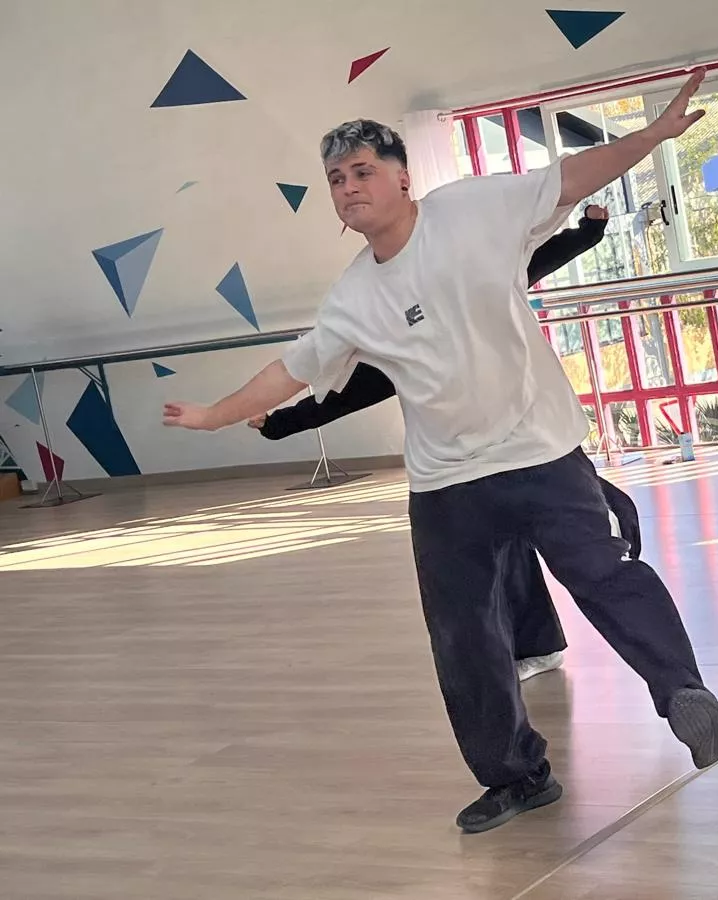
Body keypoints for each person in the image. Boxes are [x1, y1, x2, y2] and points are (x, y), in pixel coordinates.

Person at [163, 69, 718, 833]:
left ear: (403, 178)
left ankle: (683, 694)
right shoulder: (353, 296)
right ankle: (515, 776)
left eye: (362, 170)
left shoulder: (472, 209)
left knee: (604, 574)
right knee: (463, 635)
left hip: (538, 447)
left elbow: (567, 177)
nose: (347, 187)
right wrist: (211, 415)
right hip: (447, 482)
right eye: (335, 179)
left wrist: (652, 137)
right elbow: (291, 371)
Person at [245, 205, 637, 683]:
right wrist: (278, 423)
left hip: (531, 441)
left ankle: (610, 519)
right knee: (505, 548)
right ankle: (540, 643)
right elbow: (354, 391)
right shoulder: (394, 332)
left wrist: (589, 231)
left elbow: (531, 261)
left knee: (571, 535)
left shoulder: (469, 280)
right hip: (471, 464)